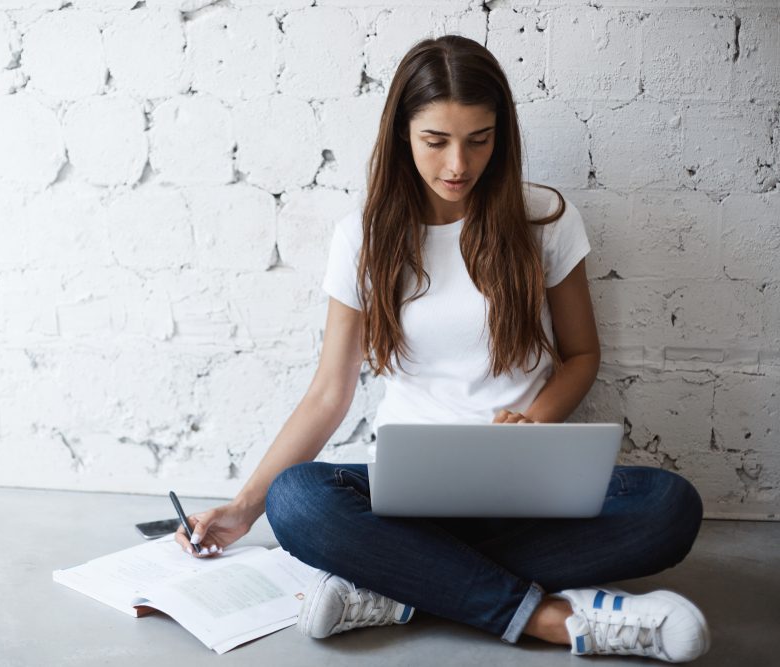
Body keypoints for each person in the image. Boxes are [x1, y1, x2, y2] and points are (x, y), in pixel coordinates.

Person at [174, 34, 710, 663]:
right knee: (297, 501)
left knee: (670, 506)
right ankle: (551, 619)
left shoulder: (545, 219)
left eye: (479, 139)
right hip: (407, 498)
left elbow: (581, 356)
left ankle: (395, 588)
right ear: (402, 133)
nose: (459, 164)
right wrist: (244, 509)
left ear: (501, 136)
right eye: (436, 141)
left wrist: (532, 427)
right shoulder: (363, 237)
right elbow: (328, 393)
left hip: (523, 488)